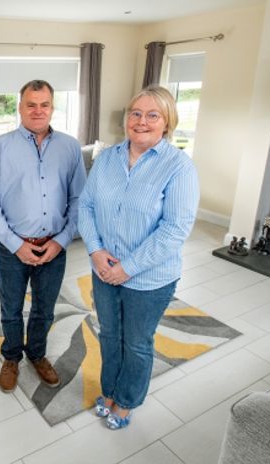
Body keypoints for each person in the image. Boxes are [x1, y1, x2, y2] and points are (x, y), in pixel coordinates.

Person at [78, 85, 199, 430]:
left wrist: (128, 269)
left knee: (136, 342)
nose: (141, 121)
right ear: (126, 118)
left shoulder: (179, 167)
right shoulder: (107, 159)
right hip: (103, 269)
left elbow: (175, 229)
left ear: (167, 122)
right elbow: (85, 206)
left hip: (148, 278)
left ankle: (126, 401)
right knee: (108, 334)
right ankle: (110, 391)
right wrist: (96, 252)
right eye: (135, 113)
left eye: (152, 115)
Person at [0, 79, 87, 393]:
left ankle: (37, 354)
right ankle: (11, 357)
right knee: (10, 309)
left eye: (45, 104)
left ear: (52, 107)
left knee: (45, 309)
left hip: (54, 246)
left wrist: (62, 240)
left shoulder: (69, 147)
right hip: (11, 247)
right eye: (31, 104)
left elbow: (79, 197)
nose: (38, 111)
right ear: (19, 107)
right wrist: (15, 244)